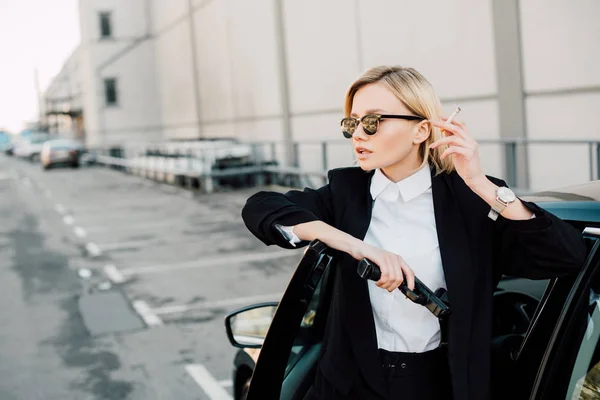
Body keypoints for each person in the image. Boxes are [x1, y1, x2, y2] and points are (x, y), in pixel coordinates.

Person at [241, 66, 587, 400]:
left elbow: (565, 256)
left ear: (421, 130)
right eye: (353, 123)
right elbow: (261, 207)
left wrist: (480, 183)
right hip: (350, 383)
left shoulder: (470, 199)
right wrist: (354, 245)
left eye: (373, 121)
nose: (359, 134)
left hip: (441, 383)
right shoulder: (344, 192)